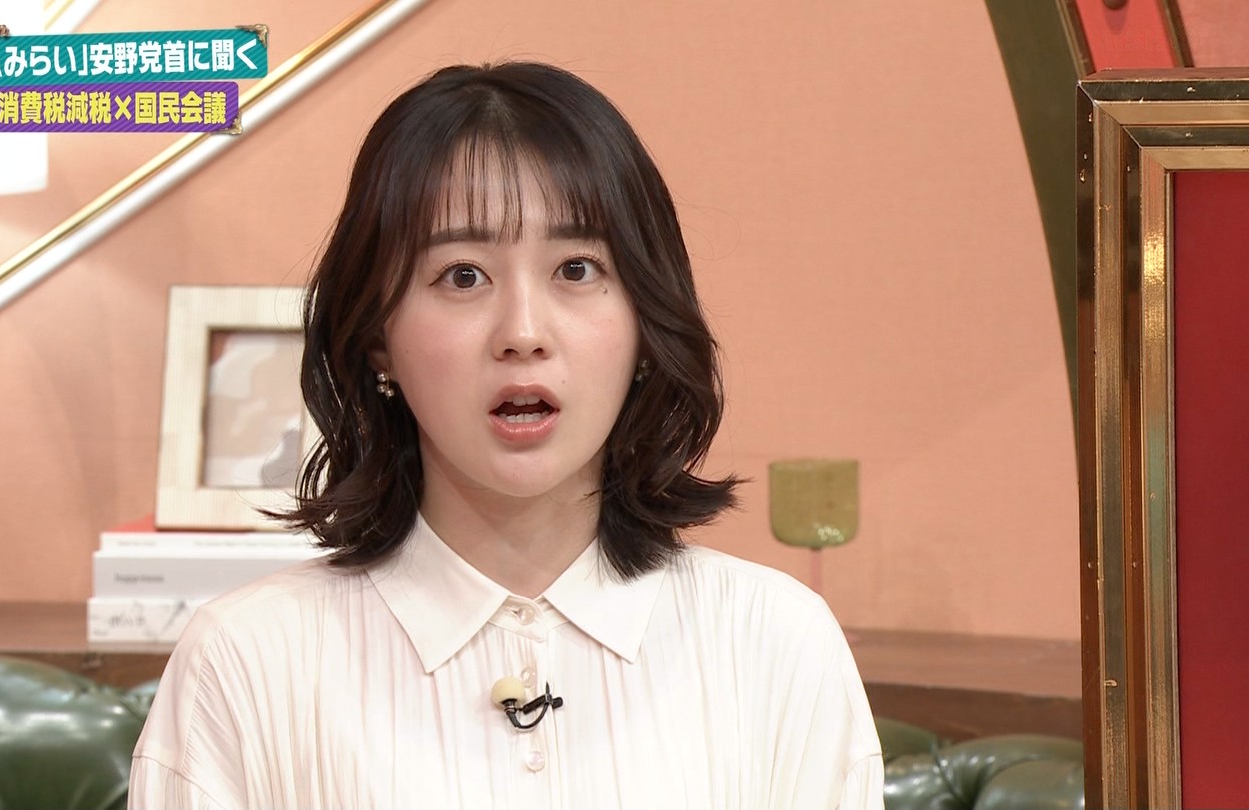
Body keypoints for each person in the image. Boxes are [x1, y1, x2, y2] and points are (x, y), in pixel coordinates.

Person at [130, 61, 883, 810]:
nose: (523, 332)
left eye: (577, 269)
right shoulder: (243, 662)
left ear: (645, 321)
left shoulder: (776, 644)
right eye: (463, 276)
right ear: (377, 338)